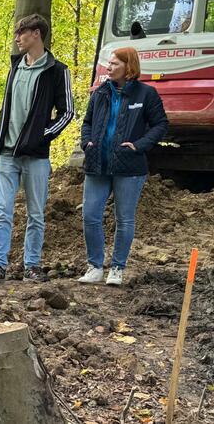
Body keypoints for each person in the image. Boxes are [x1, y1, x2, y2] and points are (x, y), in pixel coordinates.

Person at [0, 14, 74, 287]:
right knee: (2, 212)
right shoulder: (15, 67)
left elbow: (67, 112)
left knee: (36, 214)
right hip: (7, 154)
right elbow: (6, 110)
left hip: (37, 157)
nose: (17, 38)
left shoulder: (58, 70)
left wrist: (41, 137)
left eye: (21, 33)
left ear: (36, 34)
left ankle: (31, 265)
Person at [77, 47, 168, 286]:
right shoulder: (99, 93)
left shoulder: (146, 94)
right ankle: (95, 266)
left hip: (129, 167)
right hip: (97, 163)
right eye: (109, 63)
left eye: (115, 64)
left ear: (129, 67)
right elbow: (87, 122)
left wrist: (139, 145)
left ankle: (117, 268)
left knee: (124, 219)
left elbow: (160, 125)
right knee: (90, 215)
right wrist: (86, 142)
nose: (109, 67)